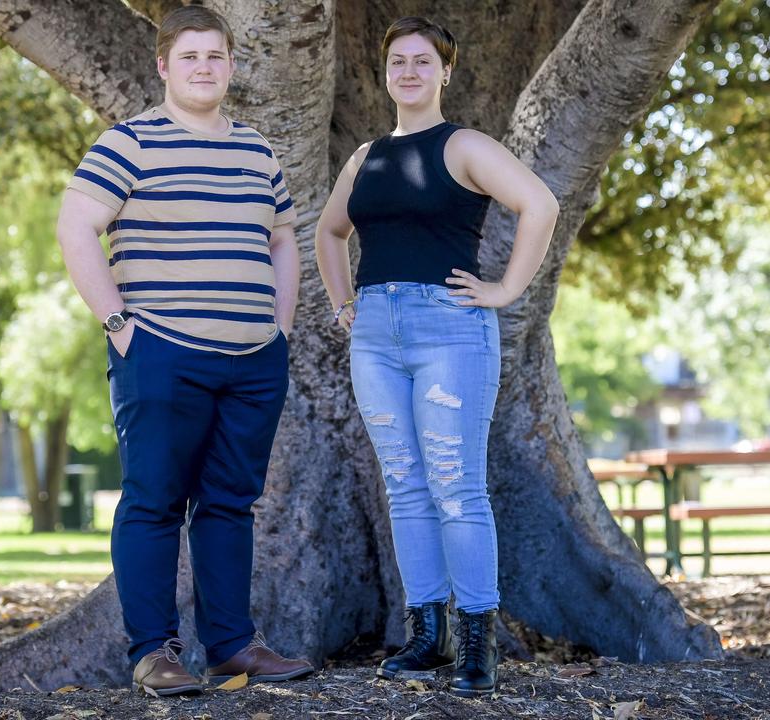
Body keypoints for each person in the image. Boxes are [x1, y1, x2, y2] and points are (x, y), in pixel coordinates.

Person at [56, 4, 314, 697]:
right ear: (165, 65)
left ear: (232, 64)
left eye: (216, 56)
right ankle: (153, 653)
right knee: (154, 501)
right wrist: (118, 322)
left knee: (230, 503)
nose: (205, 67)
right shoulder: (129, 143)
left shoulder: (257, 149)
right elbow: (76, 224)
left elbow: (284, 238)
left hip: (254, 359)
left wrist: (280, 327)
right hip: (162, 351)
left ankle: (232, 647)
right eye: (190, 56)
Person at [313, 16, 559, 698]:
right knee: (407, 487)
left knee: (456, 485)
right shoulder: (365, 157)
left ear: (446, 72)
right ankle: (429, 635)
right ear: (384, 72)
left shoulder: (465, 146)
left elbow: (540, 204)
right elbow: (329, 234)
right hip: (375, 336)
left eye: (424, 61)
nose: (410, 71)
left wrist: (506, 289)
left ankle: (478, 640)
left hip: (449, 329)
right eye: (399, 61)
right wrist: (342, 305)